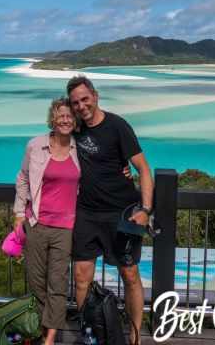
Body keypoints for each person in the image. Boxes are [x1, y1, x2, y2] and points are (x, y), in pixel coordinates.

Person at [67, 75, 154, 341]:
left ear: (95, 96)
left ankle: (134, 336)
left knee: (129, 274)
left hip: (121, 213)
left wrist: (146, 210)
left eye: (85, 99)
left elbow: (143, 168)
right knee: (81, 277)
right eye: (75, 103)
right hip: (86, 213)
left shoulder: (118, 126)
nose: (81, 106)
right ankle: (90, 335)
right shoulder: (74, 129)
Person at [13, 97, 81, 345]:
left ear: (75, 120)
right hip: (37, 224)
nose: (65, 120)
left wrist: (124, 169)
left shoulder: (80, 149)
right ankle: (44, 327)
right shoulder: (36, 145)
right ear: (53, 119)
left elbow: (101, 172)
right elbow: (22, 178)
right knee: (36, 280)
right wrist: (19, 212)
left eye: (69, 116)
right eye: (60, 115)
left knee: (58, 283)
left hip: (66, 228)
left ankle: (50, 337)